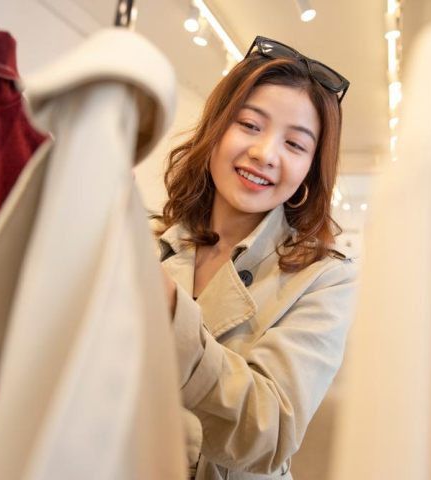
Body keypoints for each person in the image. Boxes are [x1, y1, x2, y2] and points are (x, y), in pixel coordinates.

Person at [155, 36, 359, 480]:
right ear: (217, 129)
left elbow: (270, 433)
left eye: (295, 144)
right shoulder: (156, 246)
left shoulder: (324, 279)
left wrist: (170, 313)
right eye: (249, 124)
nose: (264, 153)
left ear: (310, 169)